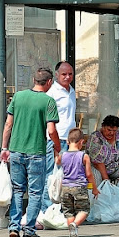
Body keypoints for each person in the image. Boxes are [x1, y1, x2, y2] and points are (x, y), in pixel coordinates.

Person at [0, 67, 60, 237]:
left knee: (18, 190)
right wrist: (57, 146)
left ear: (34, 80)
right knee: (35, 192)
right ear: (49, 82)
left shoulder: (18, 97)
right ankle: (29, 230)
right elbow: (51, 130)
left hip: (16, 151)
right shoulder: (48, 102)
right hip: (37, 152)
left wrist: (5, 148)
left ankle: (14, 226)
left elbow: (8, 125)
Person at [42, 61, 76, 216]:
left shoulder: (71, 91)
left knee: (64, 177)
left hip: (69, 140)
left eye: (70, 74)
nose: (67, 77)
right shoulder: (52, 93)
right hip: (56, 139)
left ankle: (60, 210)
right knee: (52, 176)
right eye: (64, 74)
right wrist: (54, 142)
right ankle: (46, 211)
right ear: (56, 75)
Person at [57, 128, 99, 237]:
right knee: (84, 210)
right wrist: (94, 188)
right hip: (79, 187)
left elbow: (57, 162)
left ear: (67, 141)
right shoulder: (84, 156)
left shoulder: (63, 155)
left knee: (69, 211)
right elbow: (89, 174)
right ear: (81, 142)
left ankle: (72, 235)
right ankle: (75, 225)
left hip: (65, 187)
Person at [87, 115, 119, 185]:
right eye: (109, 130)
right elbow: (97, 162)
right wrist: (106, 179)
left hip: (115, 169)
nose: (112, 133)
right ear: (103, 126)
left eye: (114, 130)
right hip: (98, 169)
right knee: (97, 181)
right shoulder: (95, 138)